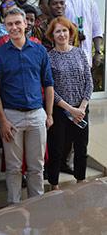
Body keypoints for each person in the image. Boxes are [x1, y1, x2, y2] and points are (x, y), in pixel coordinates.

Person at [0, 8, 54, 204]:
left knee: (37, 167)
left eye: (18, 23)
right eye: (10, 24)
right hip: (12, 116)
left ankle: (38, 207)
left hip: (37, 115)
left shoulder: (39, 50)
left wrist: (49, 114)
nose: (14, 27)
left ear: (26, 24)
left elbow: (48, 83)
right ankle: (14, 209)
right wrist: (2, 120)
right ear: (5, 27)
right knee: (14, 168)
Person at [45, 17, 93, 190]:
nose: (62, 34)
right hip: (60, 111)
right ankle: (54, 184)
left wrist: (82, 107)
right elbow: (50, 88)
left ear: (71, 32)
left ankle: (80, 180)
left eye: (65, 30)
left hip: (81, 110)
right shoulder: (49, 57)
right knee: (56, 148)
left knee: (81, 147)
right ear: (52, 35)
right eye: (58, 31)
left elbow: (89, 81)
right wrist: (69, 109)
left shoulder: (80, 53)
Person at [65, 0, 103, 68]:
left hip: (86, 52)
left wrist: (97, 52)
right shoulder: (64, 3)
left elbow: (96, 29)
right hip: (67, 51)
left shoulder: (91, 4)